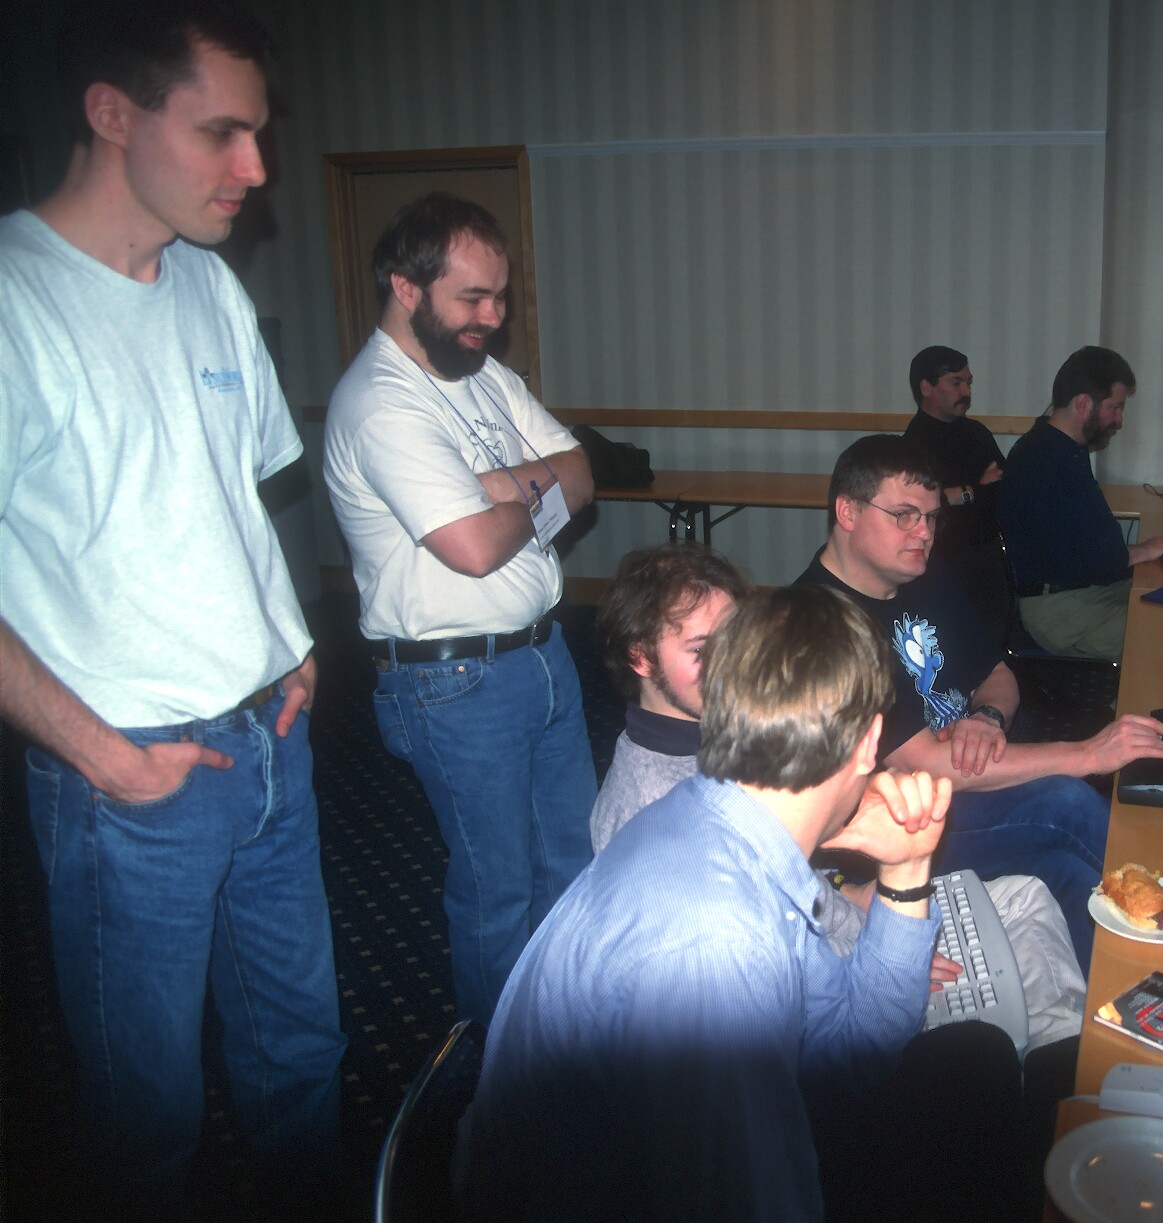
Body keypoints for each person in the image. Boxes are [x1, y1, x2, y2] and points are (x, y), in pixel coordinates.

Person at [0, 0, 345, 1208]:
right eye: (221, 133)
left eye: (258, 132)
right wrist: (102, 756)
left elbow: (236, 492)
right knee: (146, 1111)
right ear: (111, 113)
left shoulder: (208, 283)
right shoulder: (15, 297)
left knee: (303, 1056)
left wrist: (291, 639)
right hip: (131, 775)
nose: (256, 167)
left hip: (271, 737)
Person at [457, 585, 975, 1220]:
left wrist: (907, 870)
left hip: (624, 1171)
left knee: (976, 1064)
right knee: (981, 1096)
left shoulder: (722, 817)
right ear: (871, 741)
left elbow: (852, 1045)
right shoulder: (719, 945)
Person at [590, 542, 1086, 1053]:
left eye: (734, 643)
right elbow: (803, 1010)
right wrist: (893, 939)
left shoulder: (721, 734)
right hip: (835, 999)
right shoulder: (649, 811)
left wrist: (850, 892)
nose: (728, 668)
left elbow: (790, 870)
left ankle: (1066, 1075)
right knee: (997, 1031)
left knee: (1028, 896)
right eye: (701, 651)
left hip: (841, 917)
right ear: (640, 657)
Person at [322, 191, 597, 1025]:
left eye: (500, 296)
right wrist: (531, 488)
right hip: (454, 684)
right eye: (472, 298)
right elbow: (472, 548)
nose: (493, 317)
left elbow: (582, 474)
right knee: (496, 888)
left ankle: (567, 1033)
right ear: (406, 288)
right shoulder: (381, 401)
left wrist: (495, 488)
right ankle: (505, 1062)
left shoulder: (483, 373)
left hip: (542, 654)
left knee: (573, 863)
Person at [796, 435, 1163, 967]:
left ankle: (1141, 973)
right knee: (1065, 804)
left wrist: (987, 716)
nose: (924, 534)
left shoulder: (920, 574)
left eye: (932, 518)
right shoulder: (817, 625)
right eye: (904, 516)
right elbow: (924, 764)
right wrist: (1086, 755)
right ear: (848, 512)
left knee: (1067, 872)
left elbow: (998, 674)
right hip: (897, 828)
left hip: (963, 778)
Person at [997, 346, 1163, 661]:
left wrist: (1140, 552)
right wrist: (1142, 551)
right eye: (1115, 407)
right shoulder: (1041, 462)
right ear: (1083, 403)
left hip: (1084, 591)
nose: (1119, 419)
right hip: (1059, 609)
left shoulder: (1065, 448)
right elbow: (1085, 559)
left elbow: (1090, 546)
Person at [901, 345, 1011, 646]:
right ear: (927, 388)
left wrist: (957, 495)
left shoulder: (976, 433)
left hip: (988, 553)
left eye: (968, 382)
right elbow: (926, 511)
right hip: (940, 562)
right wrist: (976, 489)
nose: (966, 391)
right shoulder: (913, 445)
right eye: (956, 383)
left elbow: (1003, 489)